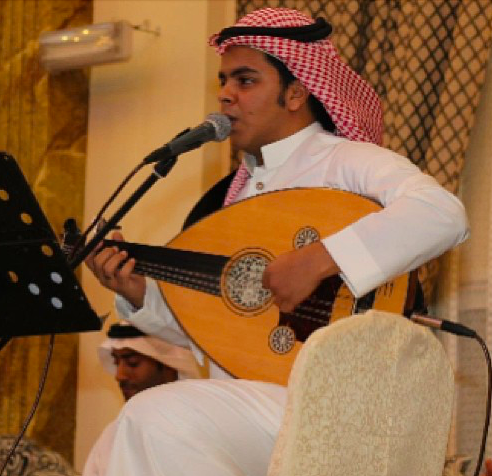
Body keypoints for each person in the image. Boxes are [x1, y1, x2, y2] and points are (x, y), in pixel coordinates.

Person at [85, 8, 469, 476]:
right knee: (115, 443)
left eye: (245, 80)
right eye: (224, 80)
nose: (225, 94)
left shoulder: (348, 161)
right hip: (255, 397)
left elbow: (442, 213)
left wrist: (320, 259)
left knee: (155, 414)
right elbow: (221, 331)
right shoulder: (225, 203)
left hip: (341, 402)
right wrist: (140, 295)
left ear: (296, 92)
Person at [82, 322, 202, 476]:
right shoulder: (113, 435)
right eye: (117, 362)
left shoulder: (196, 428)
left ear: (169, 365)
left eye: (133, 363)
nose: (119, 375)